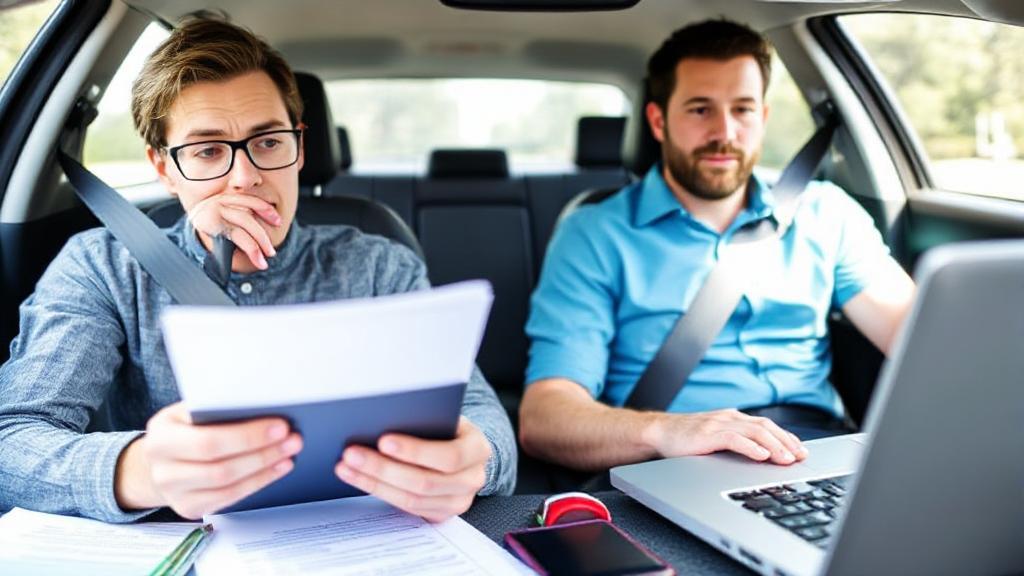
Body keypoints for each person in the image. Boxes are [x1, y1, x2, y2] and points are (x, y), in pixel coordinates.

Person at [0, 16, 515, 523]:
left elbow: (482, 418)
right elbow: (12, 443)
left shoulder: (379, 266)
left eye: (268, 142)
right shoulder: (102, 268)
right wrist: (141, 470)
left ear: (299, 149)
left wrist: (474, 461)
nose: (245, 178)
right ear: (165, 169)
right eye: (207, 151)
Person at [519, 19, 915, 473]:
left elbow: (923, 343)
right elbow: (545, 416)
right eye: (700, 109)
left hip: (818, 456)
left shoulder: (827, 214)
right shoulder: (594, 233)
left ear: (762, 117)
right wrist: (665, 431)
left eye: (742, 109)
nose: (725, 132)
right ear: (657, 120)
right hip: (671, 461)